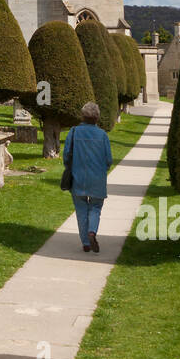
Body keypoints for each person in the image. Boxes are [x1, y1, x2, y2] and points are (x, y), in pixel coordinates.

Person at [63, 101, 112, 253]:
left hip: (78, 178)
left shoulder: (74, 132)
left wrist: (68, 167)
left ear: (82, 117)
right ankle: (92, 231)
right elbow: (108, 159)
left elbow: (66, 155)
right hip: (97, 178)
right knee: (96, 208)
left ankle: (85, 242)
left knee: (81, 210)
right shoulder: (102, 135)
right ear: (97, 118)